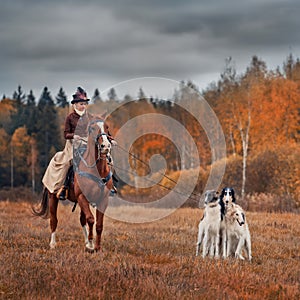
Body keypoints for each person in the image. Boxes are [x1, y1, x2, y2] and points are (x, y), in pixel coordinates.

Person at [42, 87, 116, 201]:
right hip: (73, 145)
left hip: (88, 144)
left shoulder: (90, 117)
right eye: (81, 104)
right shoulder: (70, 118)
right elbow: (66, 134)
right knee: (68, 163)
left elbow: (100, 129)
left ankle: (109, 185)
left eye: (85, 104)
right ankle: (64, 187)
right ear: (75, 105)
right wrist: (75, 135)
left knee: (108, 159)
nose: (83, 106)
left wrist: (109, 138)